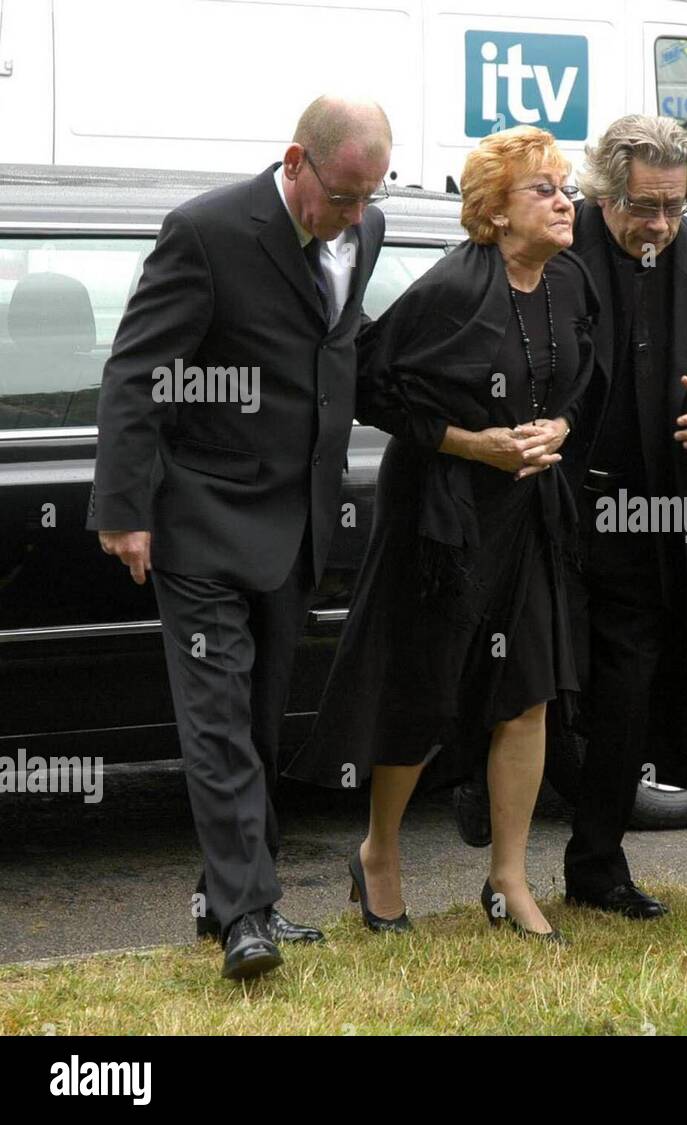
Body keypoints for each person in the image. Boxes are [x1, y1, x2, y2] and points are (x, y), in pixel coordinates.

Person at [89, 97, 391, 980]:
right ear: (295, 160)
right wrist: (123, 507)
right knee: (218, 722)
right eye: (343, 195)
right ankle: (245, 919)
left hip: (296, 520)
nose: (356, 214)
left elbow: (338, 354)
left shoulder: (360, 233)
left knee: (258, 722)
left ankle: (223, 894)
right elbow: (136, 370)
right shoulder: (206, 232)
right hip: (202, 521)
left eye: (371, 195)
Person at [284, 126, 598, 945]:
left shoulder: (570, 283)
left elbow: (588, 379)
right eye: (545, 189)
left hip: (529, 512)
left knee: (526, 692)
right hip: (444, 515)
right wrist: (474, 443)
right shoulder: (451, 291)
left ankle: (509, 877)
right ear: (493, 214)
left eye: (568, 185)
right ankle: (379, 854)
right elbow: (371, 387)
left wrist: (559, 426)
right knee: (422, 689)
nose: (567, 200)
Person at [559, 115, 687, 918]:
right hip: (555, 504)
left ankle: (597, 864)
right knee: (527, 679)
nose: (658, 224)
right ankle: (485, 801)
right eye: (643, 207)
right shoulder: (558, 239)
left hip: (650, 517)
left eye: (673, 206)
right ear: (604, 192)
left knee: (628, 686)